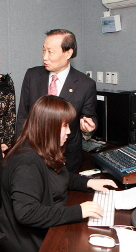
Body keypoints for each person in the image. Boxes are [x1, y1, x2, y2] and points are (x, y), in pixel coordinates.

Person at [0, 95, 117, 252]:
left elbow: (58, 175)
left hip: (45, 228)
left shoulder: (42, 148)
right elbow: (27, 213)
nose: (69, 131)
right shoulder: (27, 163)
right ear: (48, 127)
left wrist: (87, 182)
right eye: (65, 126)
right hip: (27, 240)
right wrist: (79, 211)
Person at [16, 29, 98, 173]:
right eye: (43, 51)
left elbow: (89, 116)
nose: (44, 57)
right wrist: (20, 151)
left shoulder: (86, 84)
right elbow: (23, 116)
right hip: (33, 155)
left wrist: (89, 127)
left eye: (50, 52)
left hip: (67, 158)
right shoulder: (32, 75)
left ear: (68, 53)